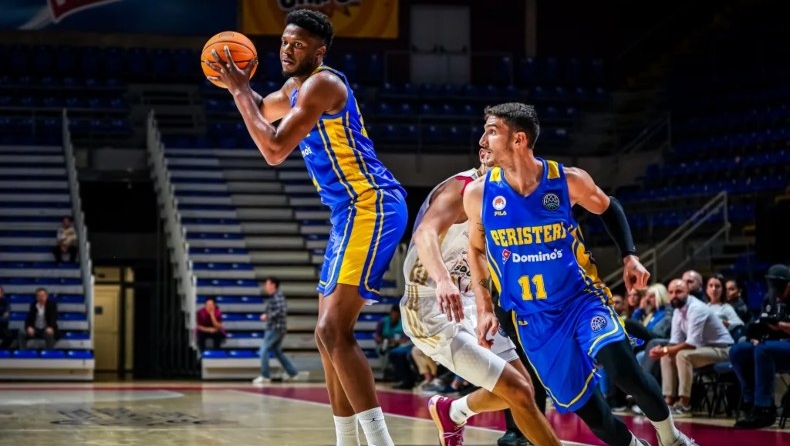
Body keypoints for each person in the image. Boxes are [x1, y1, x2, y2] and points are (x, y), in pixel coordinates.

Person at [208, 9, 407, 446]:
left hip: (372, 203)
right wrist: (233, 82)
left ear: (319, 52)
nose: (286, 50)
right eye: (284, 42)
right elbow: (262, 109)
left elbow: (274, 148)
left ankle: (380, 443)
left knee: (334, 329)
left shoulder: (323, 83)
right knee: (325, 335)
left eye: (297, 45)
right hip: (347, 213)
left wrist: (239, 91)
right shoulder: (294, 89)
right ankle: (345, 440)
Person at [463, 103, 696, 446]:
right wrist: (485, 308)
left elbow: (609, 206)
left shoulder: (566, 180)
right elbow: (476, 249)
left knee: (622, 369)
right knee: (591, 413)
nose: (483, 140)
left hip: (580, 300)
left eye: (492, 131)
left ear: (519, 140)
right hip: (533, 319)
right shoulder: (479, 194)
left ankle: (672, 438)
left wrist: (630, 256)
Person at [401, 148, 560, 446]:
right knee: (518, 392)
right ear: (485, 157)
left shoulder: (504, 201)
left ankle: (454, 412)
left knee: (523, 388)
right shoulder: (461, 188)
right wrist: (443, 279)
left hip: (471, 302)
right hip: (430, 303)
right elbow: (424, 233)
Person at [648, 278, 733, 417]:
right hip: (702, 349)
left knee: (683, 356)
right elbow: (675, 341)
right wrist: (663, 350)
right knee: (667, 356)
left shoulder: (697, 308)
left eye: (678, 292)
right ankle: (668, 401)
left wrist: (665, 350)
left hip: (722, 349)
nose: (674, 295)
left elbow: (691, 343)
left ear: (687, 292)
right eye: (671, 292)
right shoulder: (678, 310)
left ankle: (685, 404)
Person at [729, 264, 790, 429]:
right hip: (772, 344)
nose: (776, 291)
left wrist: (782, 326)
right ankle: (750, 402)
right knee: (738, 351)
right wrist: (755, 336)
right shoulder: (769, 298)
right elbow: (762, 323)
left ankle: (764, 408)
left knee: (764, 350)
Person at [253, 277, 301, 384]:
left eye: (267, 284)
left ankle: (265, 375)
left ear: (273, 285)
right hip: (277, 327)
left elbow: (281, 310)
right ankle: (293, 374)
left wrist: (268, 316)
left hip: (275, 327)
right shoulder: (274, 296)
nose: (265, 286)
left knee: (264, 349)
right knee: (277, 351)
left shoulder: (277, 296)